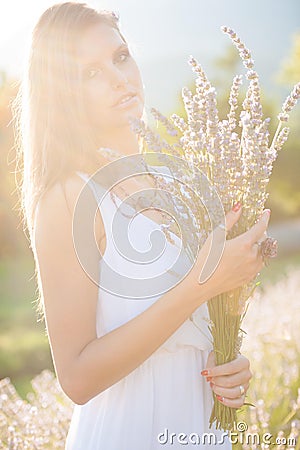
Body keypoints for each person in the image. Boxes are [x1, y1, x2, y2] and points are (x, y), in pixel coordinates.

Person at [14, 2, 271, 449]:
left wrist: (227, 363)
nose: (119, 78)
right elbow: (76, 378)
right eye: (89, 74)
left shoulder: (179, 181)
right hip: (129, 432)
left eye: (120, 56)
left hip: (198, 430)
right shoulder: (70, 198)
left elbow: (194, 332)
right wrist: (203, 283)